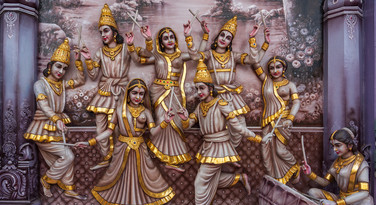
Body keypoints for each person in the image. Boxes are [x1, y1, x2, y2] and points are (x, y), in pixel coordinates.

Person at [178, 60, 271, 205]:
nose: (199, 92)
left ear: (210, 88)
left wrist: (257, 138)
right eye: (197, 88)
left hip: (219, 146)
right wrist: (184, 118)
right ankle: (238, 178)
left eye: (202, 88)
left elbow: (237, 126)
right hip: (208, 146)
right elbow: (187, 125)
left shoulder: (221, 104)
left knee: (200, 180)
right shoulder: (200, 107)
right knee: (211, 179)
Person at [76, 79, 175, 205]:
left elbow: (153, 132)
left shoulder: (146, 112)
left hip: (140, 149)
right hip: (122, 148)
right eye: (134, 93)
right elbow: (109, 131)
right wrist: (90, 142)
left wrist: (165, 122)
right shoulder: (119, 110)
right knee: (122, 180)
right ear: (128, 94)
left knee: (139, 179)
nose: (138, 96)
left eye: (141, 94)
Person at [125, 22, 208, 172]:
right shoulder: (157, 56)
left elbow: (196, 56)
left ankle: (173, 157)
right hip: (159, 91)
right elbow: (138, 59)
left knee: (175, 122)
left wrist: (188, 36)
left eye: (171, 37)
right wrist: (132, 45)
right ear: (161, 43)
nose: (169, 40)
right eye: (165, 38)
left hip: (174, 92)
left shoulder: (181, 55)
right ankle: (161, 155)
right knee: (163, 120)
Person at [189, 17, 270, 148]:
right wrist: (200, 35)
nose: (224, 39)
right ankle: (219, 156)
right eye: (222, 35)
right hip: (214, 96)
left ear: (230, 42)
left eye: (228, 38)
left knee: (239, 128)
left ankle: (229, 153)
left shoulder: (234, 56)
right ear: (217, 37)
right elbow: (194, 56)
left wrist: (253, 40)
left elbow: (254, 59)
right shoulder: (209, 54)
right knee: (216, 127)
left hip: (232, 97)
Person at [24, 39, 87, 200]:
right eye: (58, 66)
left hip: (55, 128)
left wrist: (78, 61)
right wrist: (56, 119)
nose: (61, 71)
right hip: (42, 128)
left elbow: (81, 81)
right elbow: (44, 105)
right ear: (50, 66)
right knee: (68, 156)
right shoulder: (40, 85)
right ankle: (46, 181)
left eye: (65, 68)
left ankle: (68, 187)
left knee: (65, 157)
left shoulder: (61, 85)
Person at [80, 4, 131, 170]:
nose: (103, 35)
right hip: (103, 93)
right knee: (100, 127)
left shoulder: (125, 50)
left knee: (119, 128)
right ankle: (106, 158)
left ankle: (119, 159)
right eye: (101, 32)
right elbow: (94, 75)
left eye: (106, 31)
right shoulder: (100, 53)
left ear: (114, 32)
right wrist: (87, 59)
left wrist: (142, 43)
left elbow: (140, 58)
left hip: (121, 91)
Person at [302, 127, 376, 205]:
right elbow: (326, 182)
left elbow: (364, 193)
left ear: (349, 146)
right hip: (341, 198)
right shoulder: (337, 162)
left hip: (359, 202)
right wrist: (310, 174)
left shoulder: (360, 164)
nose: (335, 149)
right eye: (333, 146)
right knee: (312, 192)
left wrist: (337, 204)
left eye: (338, 145)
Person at [250, 54, 301, 184]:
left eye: (278, 67)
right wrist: (253, 42)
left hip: (283, 122)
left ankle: (295, 167)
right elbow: (255, 64)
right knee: (266, 153)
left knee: (280, 151)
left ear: (283, 68)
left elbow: (296, 102)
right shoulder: (267, 81)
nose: (275, 70)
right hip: (268, 121)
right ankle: (276, 180)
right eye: (272, 68)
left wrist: (290, 119)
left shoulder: (290, 85)